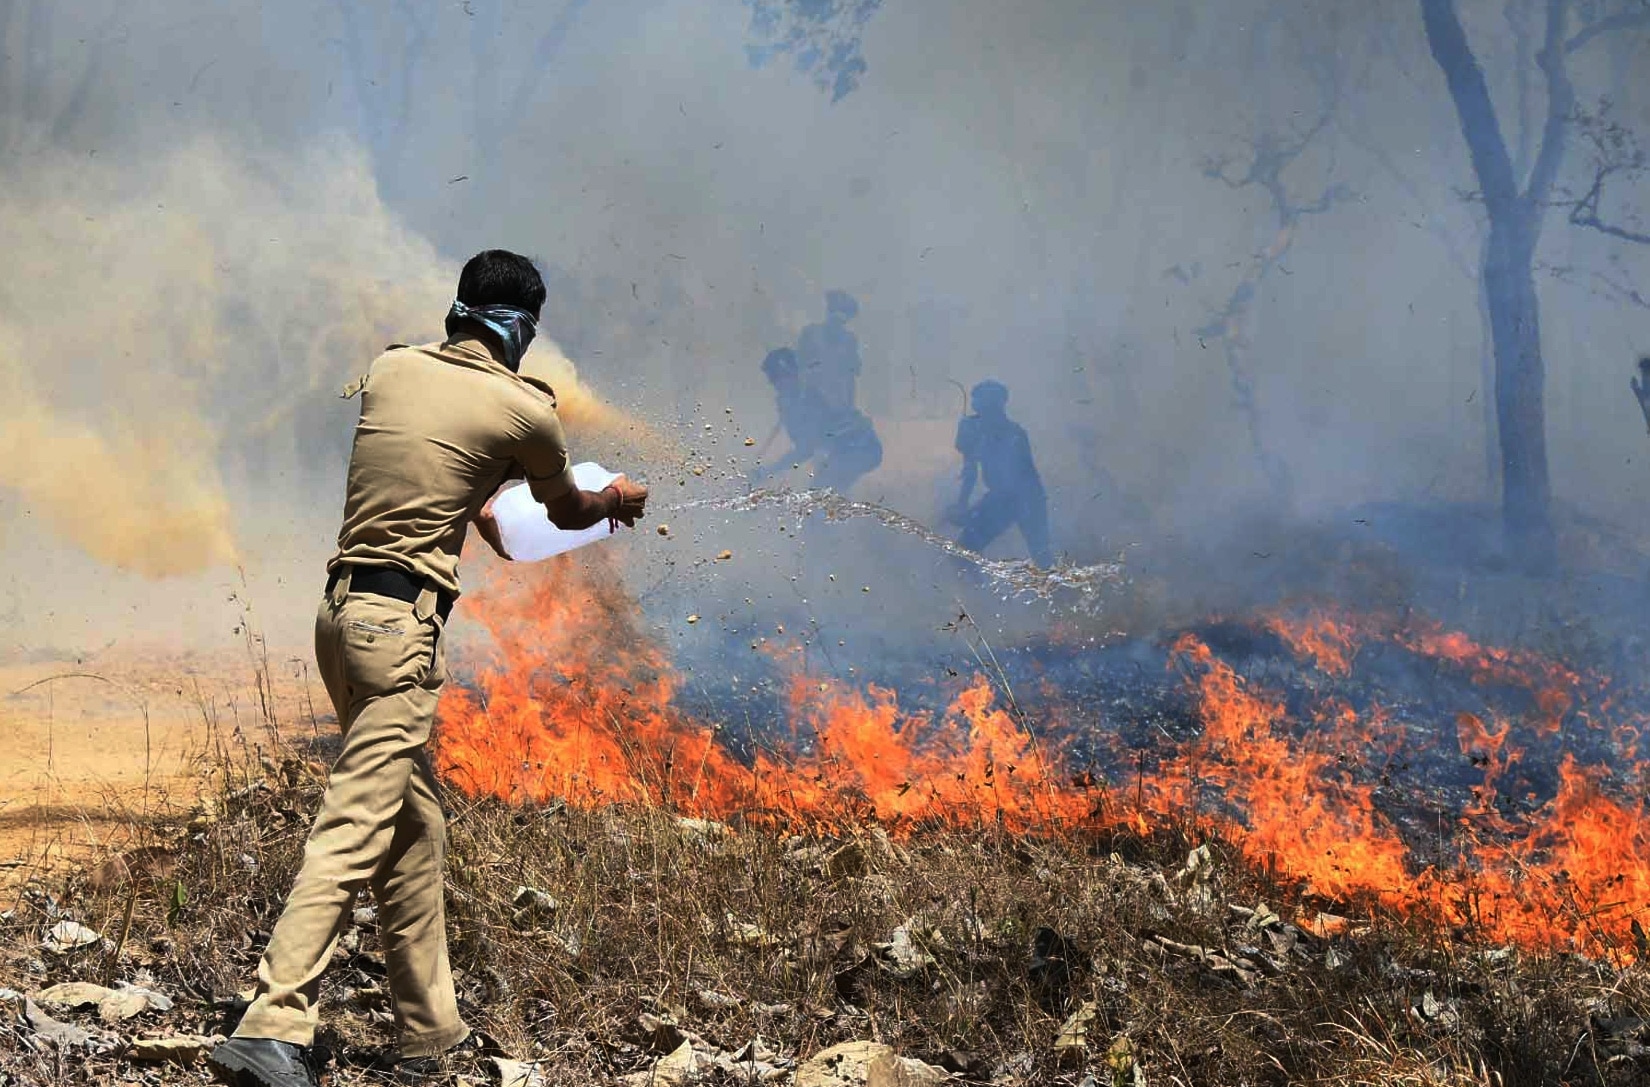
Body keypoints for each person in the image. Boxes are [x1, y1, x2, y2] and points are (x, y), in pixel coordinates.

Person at [208, 251, 648, 1087]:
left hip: (337, 621)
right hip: (399, 633)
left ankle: (430, 1037)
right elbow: (562, 512)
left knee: (416, 825)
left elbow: (464, 491)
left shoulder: (392, 369)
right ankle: (272, 1023)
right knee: (355, 824)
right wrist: (615, 502)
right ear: (521, 331)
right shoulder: (525, 412)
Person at [946, 379, 1054, 567]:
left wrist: (967, 509)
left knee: (1042, 558)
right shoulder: (981, 430)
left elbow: (1010, 481)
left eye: (984, 403)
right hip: (1014, 498)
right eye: (977, 402)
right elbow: (970, 469)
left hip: (1021, 499)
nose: (978, 407)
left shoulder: (1012, 434)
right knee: (962, 554)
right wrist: (963, 505)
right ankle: (977, 594)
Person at [752, 346, 882, 494]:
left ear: (790, 374)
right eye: (772, 378)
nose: (773, 384)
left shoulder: (809, 398)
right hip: (850, 450)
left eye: (775, 377)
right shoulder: (794, 399)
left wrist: (768, 471)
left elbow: (806, 449)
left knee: (820, 495)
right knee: (824, 492)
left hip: (859, 448)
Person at [796, 289, 863, 414]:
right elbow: (799, 366)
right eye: (835, 315)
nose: (837, 323)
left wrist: (849, 407)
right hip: (813, 401)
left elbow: (851, 377)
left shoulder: (849, 340)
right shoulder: (810, 334)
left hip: (838, 404)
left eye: (841, 319)